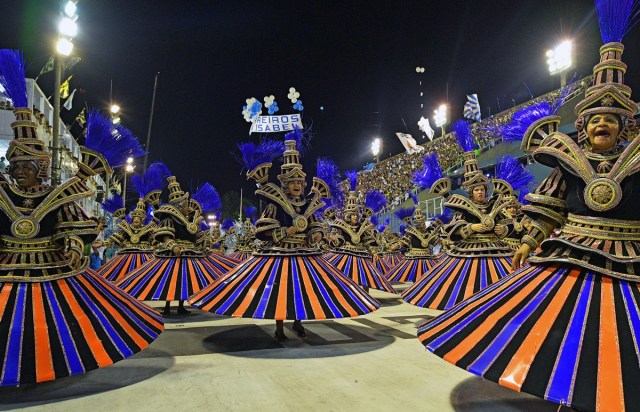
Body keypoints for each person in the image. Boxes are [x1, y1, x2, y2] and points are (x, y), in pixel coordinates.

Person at [417, 4, 640, 409]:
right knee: (572, 326)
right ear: (584, 126)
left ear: (624, 125)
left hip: (631, 258)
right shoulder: (570, 160)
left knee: (621, 333)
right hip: (572, 254)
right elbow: (551, 205)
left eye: (610, 119)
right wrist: (529, 238)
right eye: (593, 120)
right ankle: (570, 391)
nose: (601, 125)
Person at [0, 49, 163, 386]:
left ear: (40, 168)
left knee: (50, 320)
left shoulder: (57, 197)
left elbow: (69, 227)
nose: (19, 173)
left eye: (25, 167)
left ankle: (48, 362)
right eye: (15, 167)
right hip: (7, 266)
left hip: (52, 267)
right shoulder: (3, 195)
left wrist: (73, 245)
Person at [189, 130, 379, 341]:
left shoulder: (308, 203)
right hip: (280, 254)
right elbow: (262, 230)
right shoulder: (275, 203)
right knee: (281, 291)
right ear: (285, 184)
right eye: (293, 182)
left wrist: (315, 235)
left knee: (302, 291)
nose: (297, 185)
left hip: (304, 255)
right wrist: (285, 231)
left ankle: (298, 322)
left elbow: (315, 226)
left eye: (300, 182)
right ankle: (279, 326)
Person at [401, 121, 514, 310]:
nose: (480, 192)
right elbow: (453, 229)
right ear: (470, 192)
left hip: (498, 251)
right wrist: (471, 228)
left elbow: (509, 222)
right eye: (476, 189)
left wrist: (504, 228)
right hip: (470, 252)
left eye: (482, 189)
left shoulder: (495, 204)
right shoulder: (462, 206)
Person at [117, 177, 229, 316]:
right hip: (173, 255)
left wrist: (205, 241)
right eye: (185, 204)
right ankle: (168, 306)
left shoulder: (190, 221)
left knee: (184, 282)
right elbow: (166, 236)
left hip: (188, 254)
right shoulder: (169, 218)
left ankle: (181, 305)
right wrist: (173, 246)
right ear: (180, 205)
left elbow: (197, 237)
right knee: (169, 282)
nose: (188, 207)